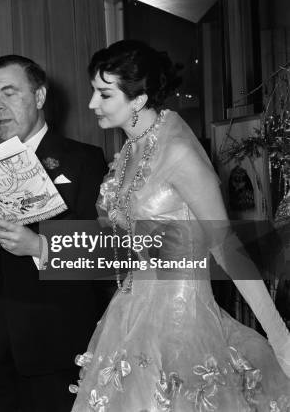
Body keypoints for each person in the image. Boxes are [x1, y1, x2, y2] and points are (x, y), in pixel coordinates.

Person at [71, 40, 290, 411]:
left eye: (104, 94)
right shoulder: (129, 150)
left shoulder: (178, 152)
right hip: (129, 317)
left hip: (181, 325)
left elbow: (226, 247)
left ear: (138, 100)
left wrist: (281, 338)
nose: (92, 103)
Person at [0, 55, 111, 412]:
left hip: (52, 346)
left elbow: (102, 253)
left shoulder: (84, 161)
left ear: (40, 97)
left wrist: (36, 245)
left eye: (9, 93)